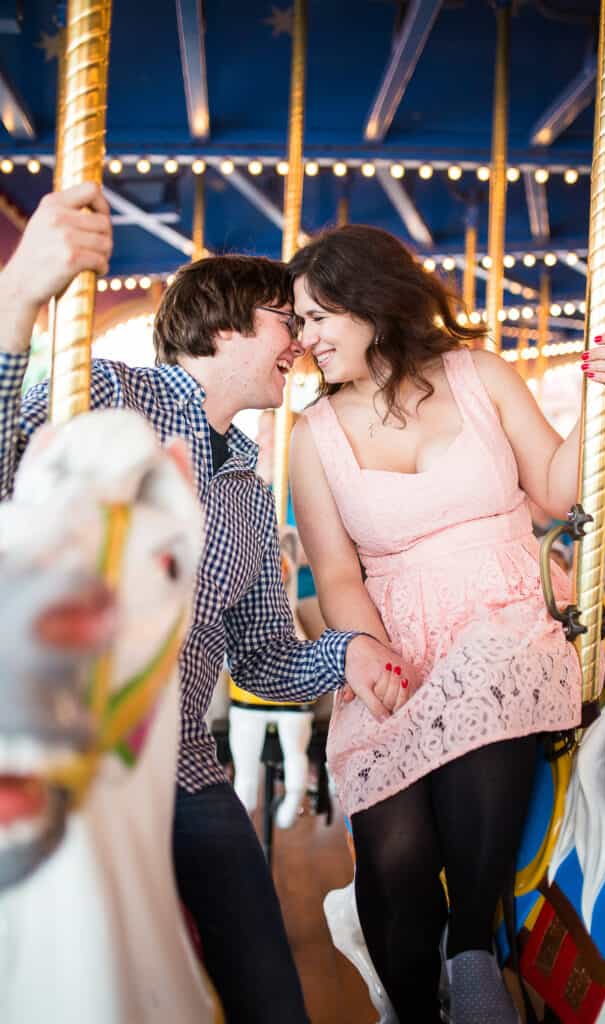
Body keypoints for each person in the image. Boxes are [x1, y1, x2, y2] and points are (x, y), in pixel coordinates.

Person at [0, 186, 419, 1024]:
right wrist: (19, 302)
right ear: (222, 326)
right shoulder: (109, 391)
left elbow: (264, 659)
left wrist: (348, 654)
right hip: (69, 757)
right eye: (282, 320)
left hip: (185, 767)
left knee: (271, 996)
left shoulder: (246, 489)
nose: (298, 344)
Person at [287, 224, 605, 1024]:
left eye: (317, 318)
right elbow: (337, 573)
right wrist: (369, 654)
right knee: (395, 849)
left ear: (367, 303)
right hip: (397, 636)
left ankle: (472, 950)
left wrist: (602, 406)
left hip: (509, 617)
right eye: (300, 324)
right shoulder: (314, 436)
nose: (305, 341)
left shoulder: (478, 375)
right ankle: (415, 1004)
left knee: (489, 663)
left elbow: (555, 487)